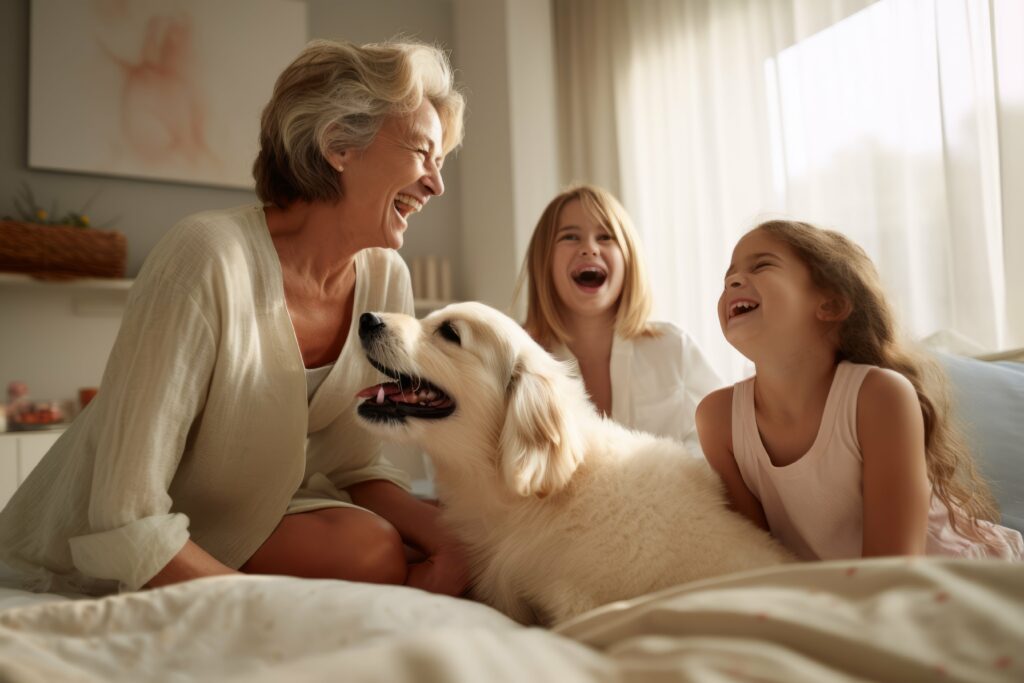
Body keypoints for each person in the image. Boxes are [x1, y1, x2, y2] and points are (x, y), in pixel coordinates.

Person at [0, 39, 470, 596]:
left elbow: (353, 465)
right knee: (373, 552)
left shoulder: (386, 277)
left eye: (440, 164)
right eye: (422, 154)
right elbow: (124, 513)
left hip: (250, 519)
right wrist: (247, 608)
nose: (436, 185)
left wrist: (455, 541)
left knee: (400, 545)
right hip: (105, 541)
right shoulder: (205, 255)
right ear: (340, 144)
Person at [696, 220, 1023, 561]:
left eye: (762, 265)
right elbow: (756, 558)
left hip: (947, 580)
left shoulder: (879, 396)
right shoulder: (717, 419)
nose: (732, 281)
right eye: (728, 277)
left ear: (831, 305)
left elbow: (894, 566)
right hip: (843, 597)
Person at [518, 184, 722, 458]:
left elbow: (721, 447)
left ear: (628, 257)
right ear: (544, 261)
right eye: (569, 237)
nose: (589, 248)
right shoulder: (516, 363)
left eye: (605, 237)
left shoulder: (674, 349)